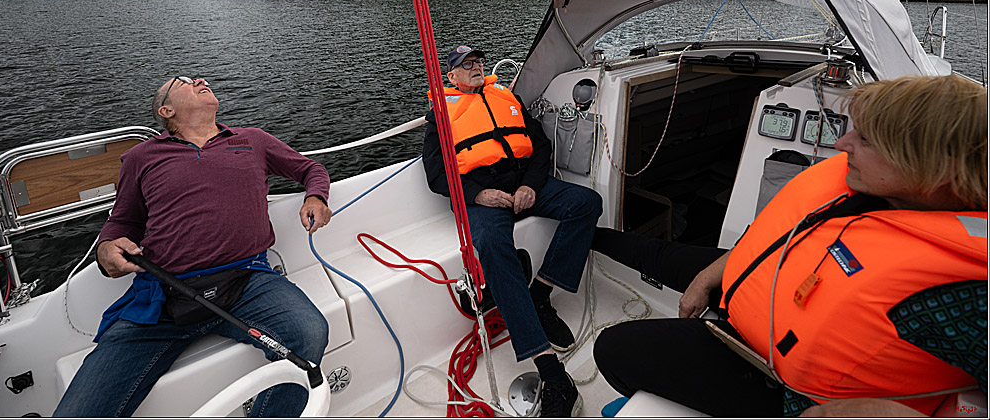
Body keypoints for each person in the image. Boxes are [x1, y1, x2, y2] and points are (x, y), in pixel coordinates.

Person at [592, 73, 987, 417]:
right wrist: (710, 276)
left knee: (614, 349)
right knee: (662, 257)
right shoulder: (882, 190)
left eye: (866, 139)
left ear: (935, 169)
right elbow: (788, 240)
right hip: (763, 283)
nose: (844, 143)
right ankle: (585, 234)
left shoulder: (971, 296)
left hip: (782, 383)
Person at [54, 75, 332, 417]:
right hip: (163, 297)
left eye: (199, 79)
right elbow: (123, 221)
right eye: (184, 82)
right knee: (81, 411)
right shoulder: (141, 157)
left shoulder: (253, 140)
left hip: (247, 281)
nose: (200, 80)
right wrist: (106, 249)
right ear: (166, 110)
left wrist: (316, 196)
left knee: (309, 333)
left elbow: (309, 168)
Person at [422, 45, 602, 418]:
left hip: (524, 186)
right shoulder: (442, 113)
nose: (475, 67)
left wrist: (532, 185)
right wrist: (478, 194)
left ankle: (541, 293)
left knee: (586, 203)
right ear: (451, 76)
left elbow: (539, 149)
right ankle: (552, 373)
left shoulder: (508, 98)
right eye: (465, 65)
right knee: (490, 244)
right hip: (482, 195)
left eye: (478, 62)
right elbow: (438, 175)